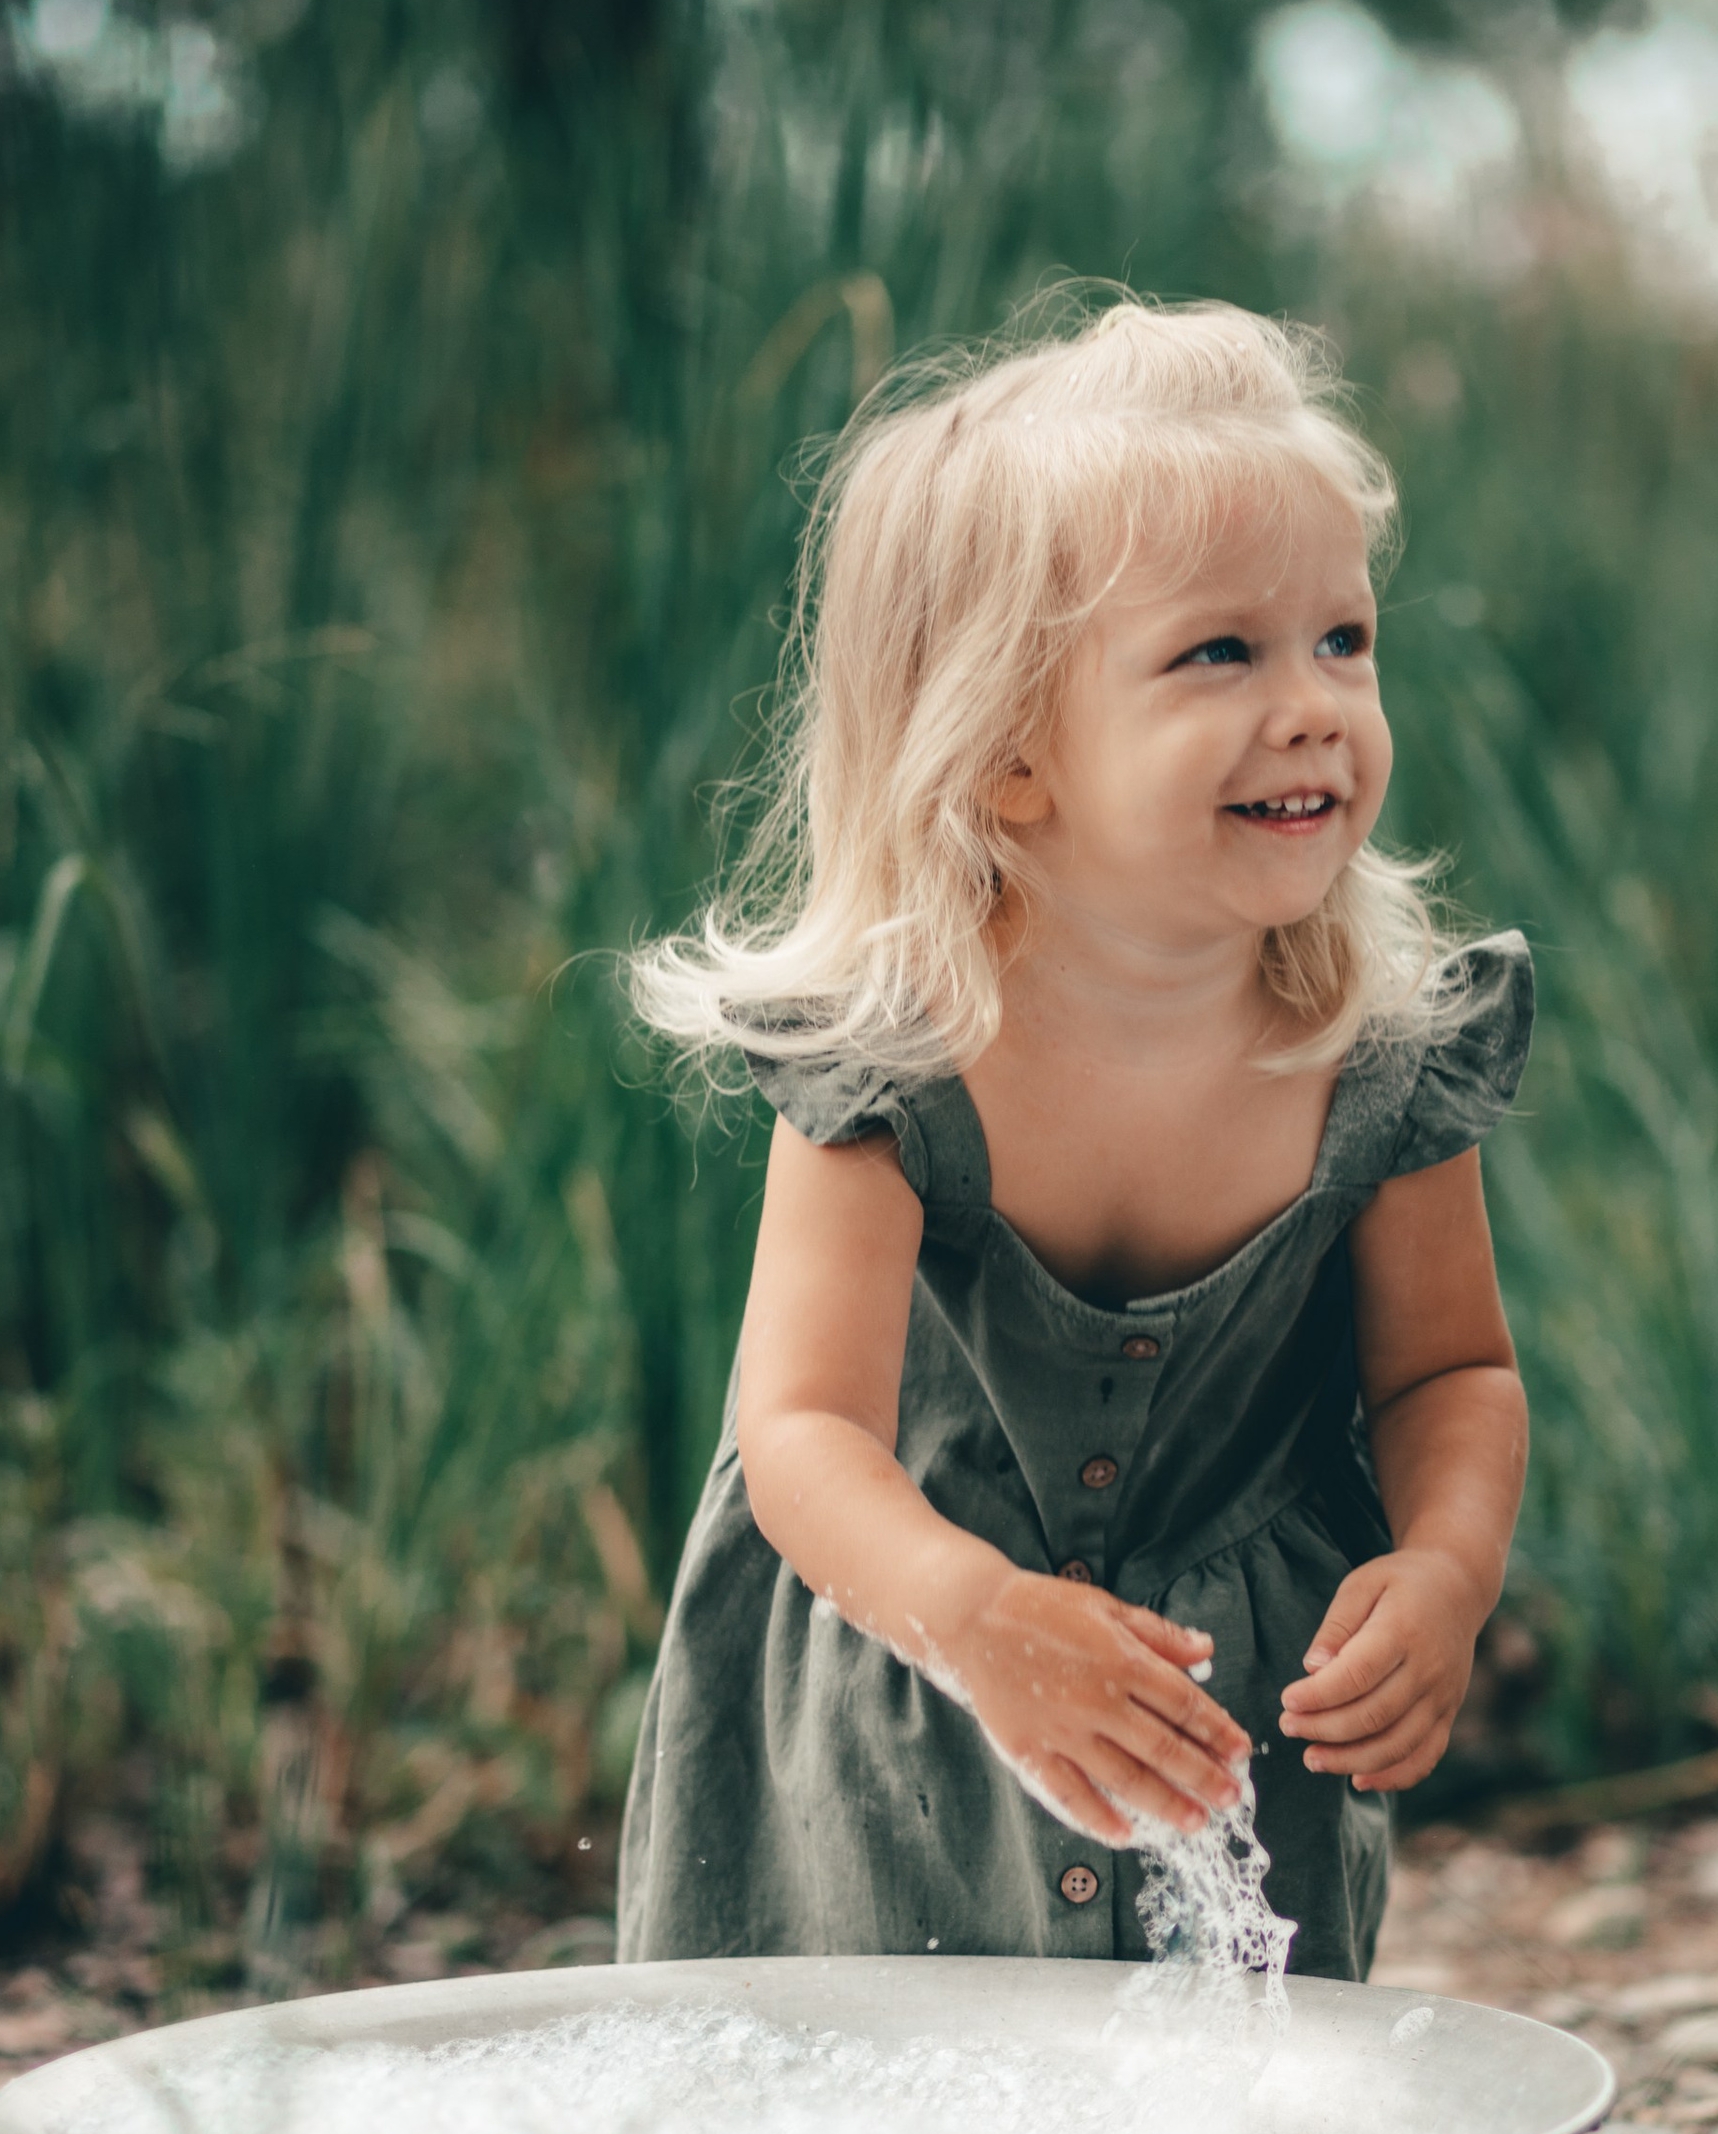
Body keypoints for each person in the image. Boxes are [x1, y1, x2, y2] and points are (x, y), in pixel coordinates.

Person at [615, 294, 1531, 1982]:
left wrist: (1448, 1570)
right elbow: (802, 1429)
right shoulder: (894, 1062)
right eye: (1220, 654)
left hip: (1235, 1711)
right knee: (861, 2093)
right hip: (907, 1691)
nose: (1315, 705)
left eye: (1343, 639)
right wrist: (973, 1619)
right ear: (1008, 756)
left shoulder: (1380, 1052)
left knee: (1224, 2110)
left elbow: (1449, 1372)